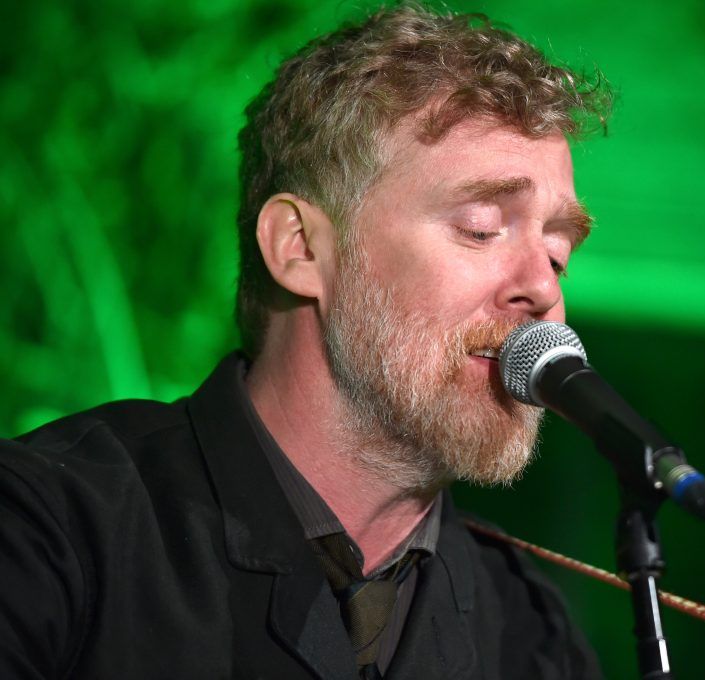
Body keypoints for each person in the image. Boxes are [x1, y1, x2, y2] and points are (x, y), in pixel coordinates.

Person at [0, 4, 611, 679]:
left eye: (557, 253)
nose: (542, 288)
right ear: (299, 248)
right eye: (480, 226)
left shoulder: (532, 638)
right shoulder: (45, 531)